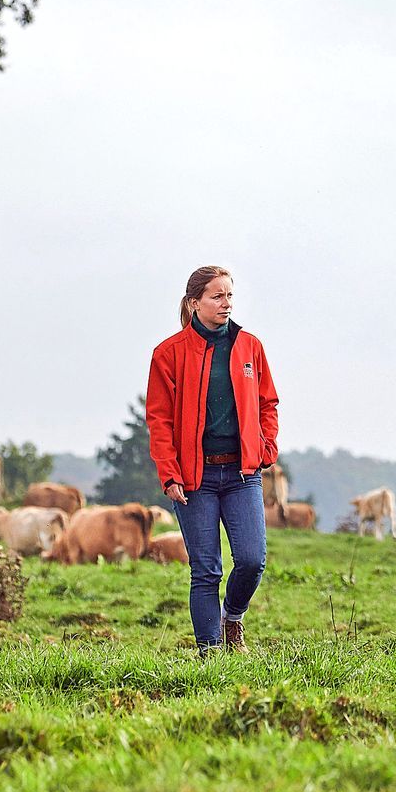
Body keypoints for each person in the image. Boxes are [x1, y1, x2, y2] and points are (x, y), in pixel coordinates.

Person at [146, 265, 279, 656]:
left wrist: (266, 447)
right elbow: (159, 420)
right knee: (206, 570)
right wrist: (169, 474)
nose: (226, 303)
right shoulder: (167, 354)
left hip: (242, 473)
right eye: (217, 296)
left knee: (252, 560)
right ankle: (209, 654)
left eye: (230, 296)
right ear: (194, 303)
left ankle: (232, 618)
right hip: (194, 477)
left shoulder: (249, 346)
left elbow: (267, 402)